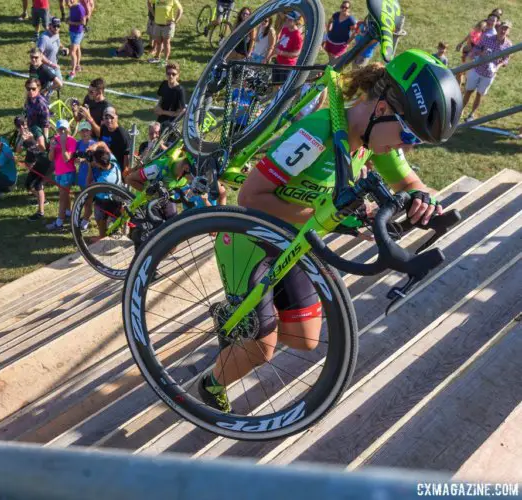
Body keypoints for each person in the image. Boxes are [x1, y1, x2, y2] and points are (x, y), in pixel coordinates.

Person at [198, 50, 463, 412]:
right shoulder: (317, 134)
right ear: (382, 110)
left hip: (294, 244)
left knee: (305, 340)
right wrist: (342, 218)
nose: (406, 145)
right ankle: (211, 385)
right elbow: (251, 196)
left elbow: (410, 181)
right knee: (263, 346)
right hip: (250, 239)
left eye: (414, 141)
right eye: (408, 136)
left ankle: (243, 316)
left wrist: (422, 198)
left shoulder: (373, 139)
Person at [463, 20, 512, 122]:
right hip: (477, 70)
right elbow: (476, 49)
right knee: (468, 91)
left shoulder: (508, 45)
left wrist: (497, 67)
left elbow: (506, 60)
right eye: (502, 28)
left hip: (489, 74)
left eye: (506, 29)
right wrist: (481, 53)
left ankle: (471, 115)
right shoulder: (487, 37)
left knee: (479, 94)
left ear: (508, 31)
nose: (503, 30)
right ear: (498, 28)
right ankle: (460, 110)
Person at [82, 143, 123, 238]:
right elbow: (103, 144)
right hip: (117, 198)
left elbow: (89, 186)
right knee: (114, 220)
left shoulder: (103, 180)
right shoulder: (114, 162)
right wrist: (93, 147)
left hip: (104, 202)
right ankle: (112, 233)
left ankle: (101, 237)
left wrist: (89, 167)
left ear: (98, 164)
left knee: (101, 221)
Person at [15, 115, 52, 221]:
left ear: (27, 123)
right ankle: (42, 200)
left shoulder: (35, 130)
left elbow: (43, 147)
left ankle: (40, 212)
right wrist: (22, 140)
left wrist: (32, 140)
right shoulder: (20, 134)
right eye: (19, 126)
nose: (22, 127)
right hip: (39, 161)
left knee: (37, 185)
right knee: (28, 184)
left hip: (48, 160)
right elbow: (18, 151)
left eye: (23, 124)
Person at [46, 119, 77, 231]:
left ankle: (59, 222)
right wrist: (52, 148)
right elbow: (50, 158)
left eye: (64, 129)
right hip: (58, 172)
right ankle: (68, 212)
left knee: (62, 197)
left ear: (68, 128)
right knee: (64, 194)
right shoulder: (55, 140)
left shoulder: (72, 141)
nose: (62, 131)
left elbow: (66, 158)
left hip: (67, 173)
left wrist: (63, 144)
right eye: (60, 129)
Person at [271, 11, 303, 85]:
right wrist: (274, 49)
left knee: (283, 87)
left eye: (290, 19)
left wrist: (281, 53)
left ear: (295, 22)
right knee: (275, 84)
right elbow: (280, 42)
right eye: (287, 18)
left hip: (287, 66)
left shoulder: (297, 36)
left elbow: (297, 53)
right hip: (278, 62)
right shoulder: (285, 29)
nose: (287, 21)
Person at [148, 0, 182, 65]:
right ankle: (157, 58)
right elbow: (149, 3)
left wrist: (175, 21)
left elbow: (180, 10)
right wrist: (153, 14)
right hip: (158, 24)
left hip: (168, 26)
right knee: (158, 42)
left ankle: (165, 60)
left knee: (166, 42)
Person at [98, 106, 130, 174]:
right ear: (103, 118)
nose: (109, 120)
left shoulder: (122, 134)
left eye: (111, 117)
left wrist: (124, 172)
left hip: (117, 168)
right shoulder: (103, 128)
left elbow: (127, 155)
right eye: (106, 118)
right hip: (105, 165)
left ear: (117, 117)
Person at [66, 0, 86, 80]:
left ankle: (73, 71)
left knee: (72, 52)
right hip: (72, 31)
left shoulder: (80, 8)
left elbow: (83, 22)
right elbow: (72, 16)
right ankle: (78, 66)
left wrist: (71, 23)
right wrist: (68, 19)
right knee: (77, 48)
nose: (69, 1)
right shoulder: (72, 6)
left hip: (78, 32)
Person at [75, 120, 96, 190]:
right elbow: (72, 151)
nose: (84, 133)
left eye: (86, 130)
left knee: (91, 193)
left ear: (90, 132)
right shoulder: (79, 143)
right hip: (82, 172)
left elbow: (95, 159)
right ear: (79, 133)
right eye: (82, 131)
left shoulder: (94, 144)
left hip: (92, 173)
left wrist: (83, 159)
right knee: (83, 191)